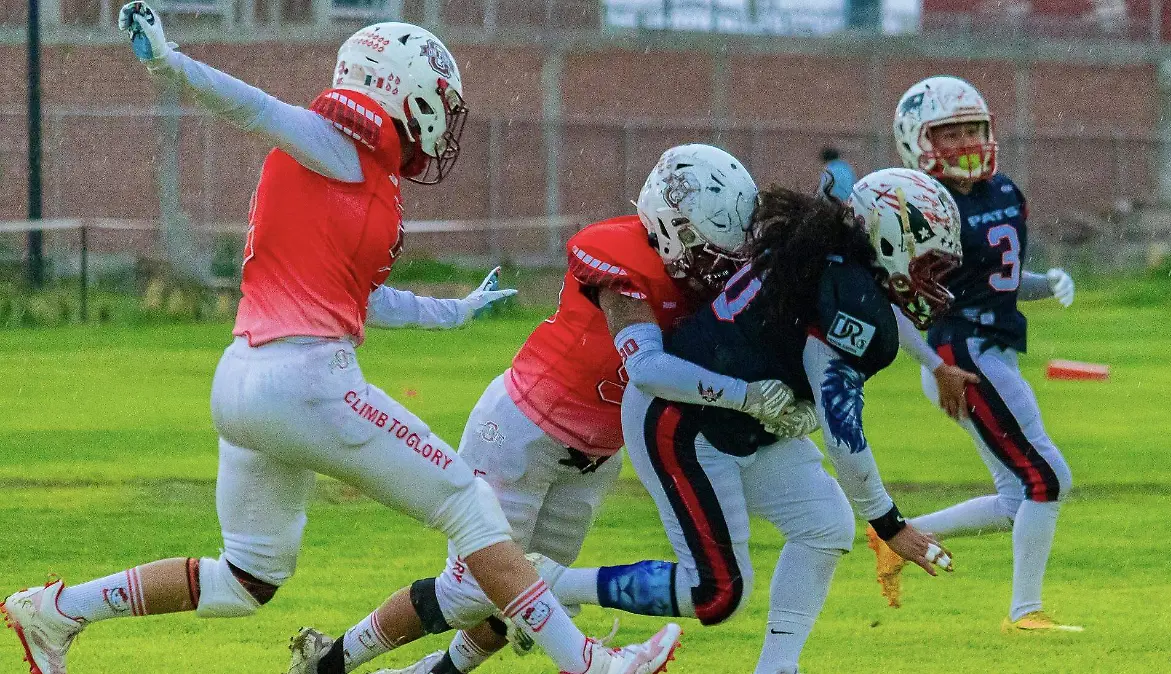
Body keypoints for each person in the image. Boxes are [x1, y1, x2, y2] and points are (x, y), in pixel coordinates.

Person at [0, 6, 683, 674]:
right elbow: (257, 109)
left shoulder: (347, 171)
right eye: (437, 101)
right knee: (469, 504)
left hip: (242, 379)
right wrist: (170, 63)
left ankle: (56, 611)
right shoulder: (334, 145)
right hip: (304, 381)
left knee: (245, 578)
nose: (442, 123)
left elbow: (363, 298)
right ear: (402, 90)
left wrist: (454, 311)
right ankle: (590, 663)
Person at [309, 144, 800, 674]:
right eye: (706, 249)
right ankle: (329, 661)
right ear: (667, 223)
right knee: (471, 590)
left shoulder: (700, 278)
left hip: (595, 457)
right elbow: (648, 367)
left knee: (533, 592)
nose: (717, 266)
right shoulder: (624, 258)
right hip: (523, 432)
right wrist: (747, 395)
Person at [519, 168, 961, 674]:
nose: (935, 282)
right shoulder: (848, 296)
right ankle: (546, 584)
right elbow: (844, 435)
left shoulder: (822, 257)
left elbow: (803, 363)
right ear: (888, 239)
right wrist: (888, 523)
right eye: (928, 264)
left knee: (824, 524)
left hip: (741, 418)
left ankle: (778, 667)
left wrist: (794, 409)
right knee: (716, 594)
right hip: (683, 420)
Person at [870, 75, 1080, 633]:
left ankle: (894, 536)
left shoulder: (1004, 190)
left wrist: (1043, 283)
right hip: (960, 355)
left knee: (1018, 496)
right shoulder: (918, 207)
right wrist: (935, 364)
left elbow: (992, 282)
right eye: (951, 132)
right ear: (917, 140)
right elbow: (896, 300)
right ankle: (1025, 614)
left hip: (995, 350)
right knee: (1048, 479)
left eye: (974, 129)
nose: (966, 142)